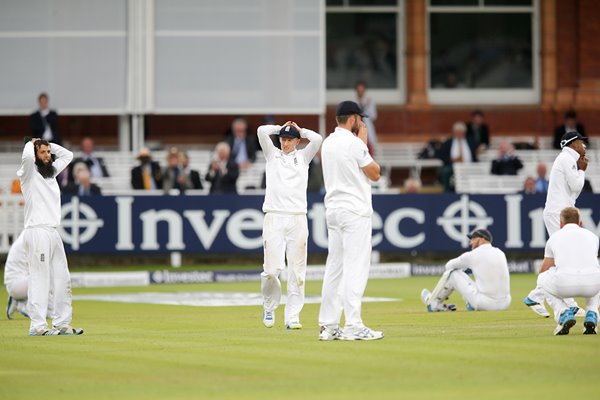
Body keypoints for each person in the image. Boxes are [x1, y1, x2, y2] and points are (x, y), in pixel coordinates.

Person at [318, 101, 383, 341]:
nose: (362, 123)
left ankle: (328, 326)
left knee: (335, 268)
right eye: (360, 119)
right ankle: (354, 325)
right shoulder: (355, 143)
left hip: (333, 210)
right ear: (353, 119)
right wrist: (363, 143)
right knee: (356, 267)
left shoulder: (328, 143)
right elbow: (375, 173)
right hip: (354, 210)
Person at [257, 121, 322, 330]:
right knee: (271, 270)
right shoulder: (272, 154)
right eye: (283, 139)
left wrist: (300, 131)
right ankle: (269, 306)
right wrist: (280, 128)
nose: (285, 143)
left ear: (296, 141)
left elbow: (318, 139)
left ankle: (292, 316)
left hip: (297, 218)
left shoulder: (303, 157)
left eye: (289, 139)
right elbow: (261, 131)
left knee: (297, 271)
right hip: (274, 216)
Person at [17, 138, 83, 336]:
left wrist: (47, 145)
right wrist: (32, 143)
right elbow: (28, 155)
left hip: (53, 231)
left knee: (62, 277)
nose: (47, 155)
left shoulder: (51, 172)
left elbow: (68, 155)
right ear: (35, 155)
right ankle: (37, 326)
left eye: (48, 152)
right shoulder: (28, 172)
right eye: (43, 152)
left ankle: (62, 323)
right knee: (40, 278)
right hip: (37, 230)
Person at [524, 131, 588, 317]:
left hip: (560, 212)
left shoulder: (569, 160)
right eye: (580, 142)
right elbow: (576, 187)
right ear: (571, 144)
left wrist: (580, 168)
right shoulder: (566, 158)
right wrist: (582, 170)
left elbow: (573, 193)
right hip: (558, 214)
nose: (584, 145)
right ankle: (558, 301)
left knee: (554, 256)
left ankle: (537, 296)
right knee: (563, 256)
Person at [536, 207, 600, 335]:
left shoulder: (554, 238)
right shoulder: (593, 236)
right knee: (595, 274)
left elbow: (545, 269)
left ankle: (563, 313)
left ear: (561, 224)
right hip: (592, 286)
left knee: (541, 278)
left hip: (564, 285)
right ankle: (592, 312)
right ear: (580, 223)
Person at [420, 228, 511, 312]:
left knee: (452, 273)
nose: (471, 242)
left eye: (473, 239)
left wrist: (463, 269)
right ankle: (470, 304)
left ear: (482, 239)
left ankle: (433, 303)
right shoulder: (500, 253)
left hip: (485, 304)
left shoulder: (473, 255)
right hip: (506, 303)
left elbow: (448, 266)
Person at [438, 121, 478, 192]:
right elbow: (441, 155)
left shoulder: (471, 141)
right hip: (453, 166)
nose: (459, 134)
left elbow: (477, 151)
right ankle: (447, 191)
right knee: (445, 171)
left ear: (464, 132)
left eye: (461, 132)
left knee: (478, 171)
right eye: (457, 132)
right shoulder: (448, 142)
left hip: (469, 166)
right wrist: (451, 159)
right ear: (454, 132)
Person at [5, 232, 30, 320]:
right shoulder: (32, 236)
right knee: (45, 277)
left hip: (15, 284)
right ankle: (24, 307)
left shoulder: (27, 234)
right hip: (18, 284)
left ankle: (18, 300)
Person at [355, 81, 378, 155]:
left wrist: (365, 107)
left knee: (369, 151)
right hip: (357, 130)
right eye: (359, 91)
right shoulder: (353, 103)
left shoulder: (370, 102)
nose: (360, 93)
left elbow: (374, 116)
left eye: (362, 91)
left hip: (368, 130)